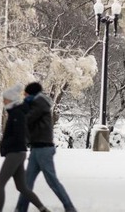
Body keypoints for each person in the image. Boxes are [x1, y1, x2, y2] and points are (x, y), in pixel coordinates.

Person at [15, 82, 77, 212]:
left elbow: (27, 119)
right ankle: (20, 208)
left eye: (26, 94)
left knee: (52, 181)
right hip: (37, 148)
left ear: (31, 94)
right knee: (27, 183)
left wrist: (22, 107)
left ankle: (69, 207)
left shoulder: (40, 103)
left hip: (43, 149)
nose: (24, 96)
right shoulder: (36, 103)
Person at [0, 85, 50, 212]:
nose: (3, 102)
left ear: (11, 100)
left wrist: (5, 145)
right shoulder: (16, 113)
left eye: (5, 99)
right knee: (22, 187)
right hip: (19, 152)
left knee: (0, 183)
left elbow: (18, 136)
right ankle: (43, 209)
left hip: (15, 153)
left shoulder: (17, 114)